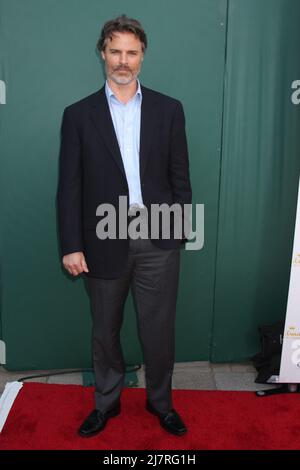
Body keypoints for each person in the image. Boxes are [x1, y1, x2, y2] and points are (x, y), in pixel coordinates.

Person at [57, 14, 192, 437]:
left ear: (142, 56)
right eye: (115, 51)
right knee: (104, 329)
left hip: (158, 235)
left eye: (131, 52)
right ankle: (107, 403)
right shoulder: (78, 115)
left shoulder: (169, 109)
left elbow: (180, 178)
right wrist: (71, 244)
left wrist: (178, 230)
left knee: (159, 330)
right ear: (102, 53)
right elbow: (69, 188)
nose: (123, 60)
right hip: (102, 238)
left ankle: (161, 403)